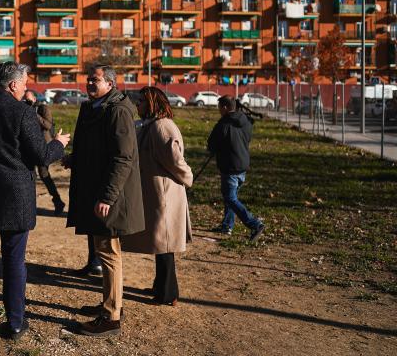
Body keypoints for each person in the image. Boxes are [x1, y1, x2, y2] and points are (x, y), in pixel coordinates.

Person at [0, 62, 70, 341]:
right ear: (13, 85)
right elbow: (41, 156)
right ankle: (16, 324)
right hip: (15, 195)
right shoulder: (22, 112)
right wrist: (59, 143)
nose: (27, 86)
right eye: (25, 82)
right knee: (14, 260)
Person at [64, 65, 144, 337]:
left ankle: (111, 317)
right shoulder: (94, 107)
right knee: (105, 251)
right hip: (95, 190)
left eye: (95, 80)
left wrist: (107, 197)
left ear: (110, 84)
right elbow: (94, 148)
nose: (89, 83)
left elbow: (123, 158)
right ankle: (111, 304)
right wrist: (73, 159)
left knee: (109, 253)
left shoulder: (118, 111)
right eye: (88, 79)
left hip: (110, 196)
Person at [121, 87, 193, 307]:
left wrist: (188, 177)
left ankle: (168, 293)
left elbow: (175, 160)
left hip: (166, 195)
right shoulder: (149, 125)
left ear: (153, 102)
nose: (138, 105)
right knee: (161, 245)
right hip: (157, 193)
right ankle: (161, 286)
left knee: (166, 245)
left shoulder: (162, 126)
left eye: (142, 100)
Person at [207, 95, 264, 241]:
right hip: (243, 165)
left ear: (225, 107)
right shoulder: (245, 121)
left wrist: (218, 148)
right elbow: (246, 139)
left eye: (219, 107)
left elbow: (212, 145)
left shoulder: (224, 124)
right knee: (231, 198)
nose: (218, 110)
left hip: (230, 166)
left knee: (230, 198)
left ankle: (255, 224)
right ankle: (227, 226)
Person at [23, 90, 66, 214]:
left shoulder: (43, 108)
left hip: (43, 148)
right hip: (29, 147)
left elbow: (47, 125)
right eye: (25, 100)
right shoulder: (23, 110)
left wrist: (32, 113)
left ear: (35, 99)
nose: (27, 102)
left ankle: (58, 201)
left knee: (44, 175)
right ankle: (29, 204)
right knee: (29, 175)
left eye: (29, 100)